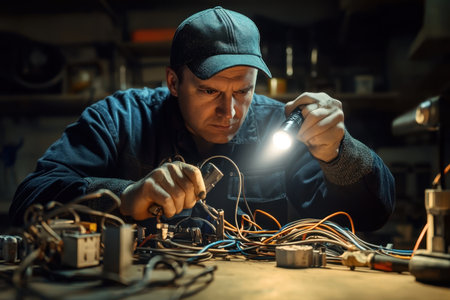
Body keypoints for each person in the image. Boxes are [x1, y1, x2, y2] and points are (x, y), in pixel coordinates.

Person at [9, 6, 395, 231]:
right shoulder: (120, 118)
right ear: (174, 81)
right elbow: (29, 199)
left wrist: (340, 154)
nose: (229, 112)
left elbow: (370, 217)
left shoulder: (284, 126)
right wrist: (125, 197)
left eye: (242, 92)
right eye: (210, 91)